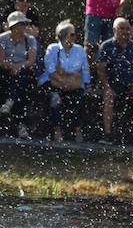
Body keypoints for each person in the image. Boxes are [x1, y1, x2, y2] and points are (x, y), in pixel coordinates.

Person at [96, 17, 133, 144]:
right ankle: (107, 135)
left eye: (127, 29)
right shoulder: (106, 46)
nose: (125, 31)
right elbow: (101, 70)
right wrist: (107, 87)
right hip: (113, 86)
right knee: (108, 98)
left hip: (132, 86)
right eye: (121, 28)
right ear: (114, 30)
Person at [41, 20, 90, 143]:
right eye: (72, 34)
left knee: (77, 100)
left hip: (72, 84)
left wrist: (86, 84)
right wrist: (64, 81)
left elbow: (85, 69)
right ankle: (57, 130)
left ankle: (77, 130)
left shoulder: (79, 50)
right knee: (55, 100)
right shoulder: (52, 49)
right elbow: (51, 70)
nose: (75, 37)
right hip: (55, 83)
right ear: (63, 36)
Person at [0, 11, 38, 139]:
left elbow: (31, 61)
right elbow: (1, 61)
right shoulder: (2, 38)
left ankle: (9, 103)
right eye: (22, 24)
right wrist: (12, 67)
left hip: (23, 71)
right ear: (14, 26)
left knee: (23, 81)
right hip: (6, 70)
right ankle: (21, 124)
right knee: (15, 86)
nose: (24, 26)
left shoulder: (30, 40)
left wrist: (18, 67)